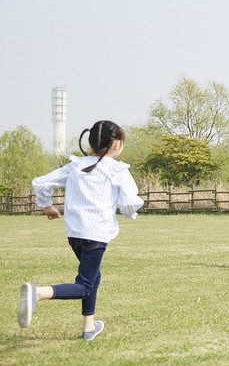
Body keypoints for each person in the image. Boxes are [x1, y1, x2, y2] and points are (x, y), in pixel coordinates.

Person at [19, 120, 143, 340]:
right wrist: (128, 213)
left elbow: (40, 183)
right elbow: (130, 203)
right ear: (116, 145)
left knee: (93, 277)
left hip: (74, 234)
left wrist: (48, 206)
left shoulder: (76, 165)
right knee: (84, 285)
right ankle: (37, 293)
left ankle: (88, 328)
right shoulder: (116, 169)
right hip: (96, 235)